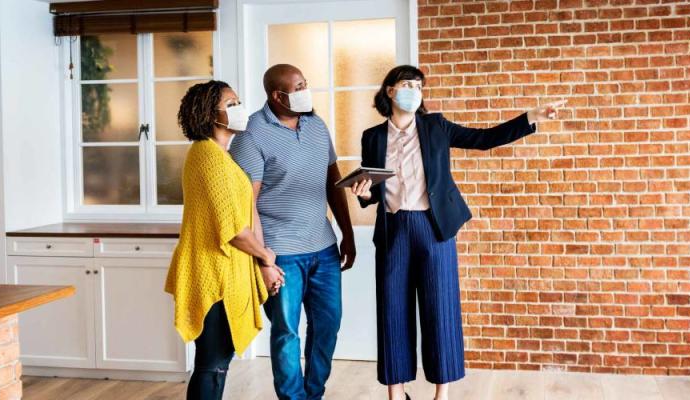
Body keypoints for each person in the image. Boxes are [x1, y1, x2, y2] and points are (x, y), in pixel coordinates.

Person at [348, 65, 566, 400]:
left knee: (440, 308)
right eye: (407, 84)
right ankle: (396, 393)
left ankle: (441, 394)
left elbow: (483, 138)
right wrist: (364, 194)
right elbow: (374, 189)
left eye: (419, 86)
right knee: (393, 310)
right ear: (390, 91)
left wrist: (531, 117)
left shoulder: (436, 126)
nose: (414, 90)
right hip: (393, 230)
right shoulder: (373, 137)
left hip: (433, 228)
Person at [229, 64, 356, 400]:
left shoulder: (316, 124)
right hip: (281, 251)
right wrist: (263, 260)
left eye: (305, 83)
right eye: (299, 86)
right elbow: (247, 204)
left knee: (328, 326)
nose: (306, 90)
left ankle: (312, 394)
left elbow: (333, 182)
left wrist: (348, 234)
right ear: (277, 95)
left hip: (324, 247)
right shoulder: (251, 134)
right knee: (286, 333)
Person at [165, 80, 286, 400]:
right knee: (212, 364)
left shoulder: (217, 156)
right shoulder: (208, 158)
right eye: (231, 104)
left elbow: (242, 218)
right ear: (209, 113)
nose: (239, 109)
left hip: (224, 273)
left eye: (238, 102)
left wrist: (262, 261)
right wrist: (267, 258)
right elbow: (232, 230)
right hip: (213, 275)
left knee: (216, 363)